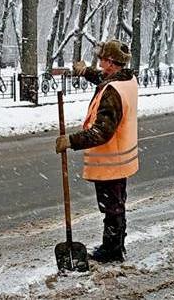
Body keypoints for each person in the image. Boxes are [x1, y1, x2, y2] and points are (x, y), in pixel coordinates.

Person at [55, 39, 138, 264]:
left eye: (102, 59)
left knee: (112, 208)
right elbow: (103, 79)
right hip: (121, 158)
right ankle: (116, 245)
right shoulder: (127, 80)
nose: (100, 63)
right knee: (116, 205)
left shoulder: (113, 92)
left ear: (111, 62)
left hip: (110, 161)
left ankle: (112, 251)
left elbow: (101, 132)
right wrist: (85, 72)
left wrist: (70, 141)